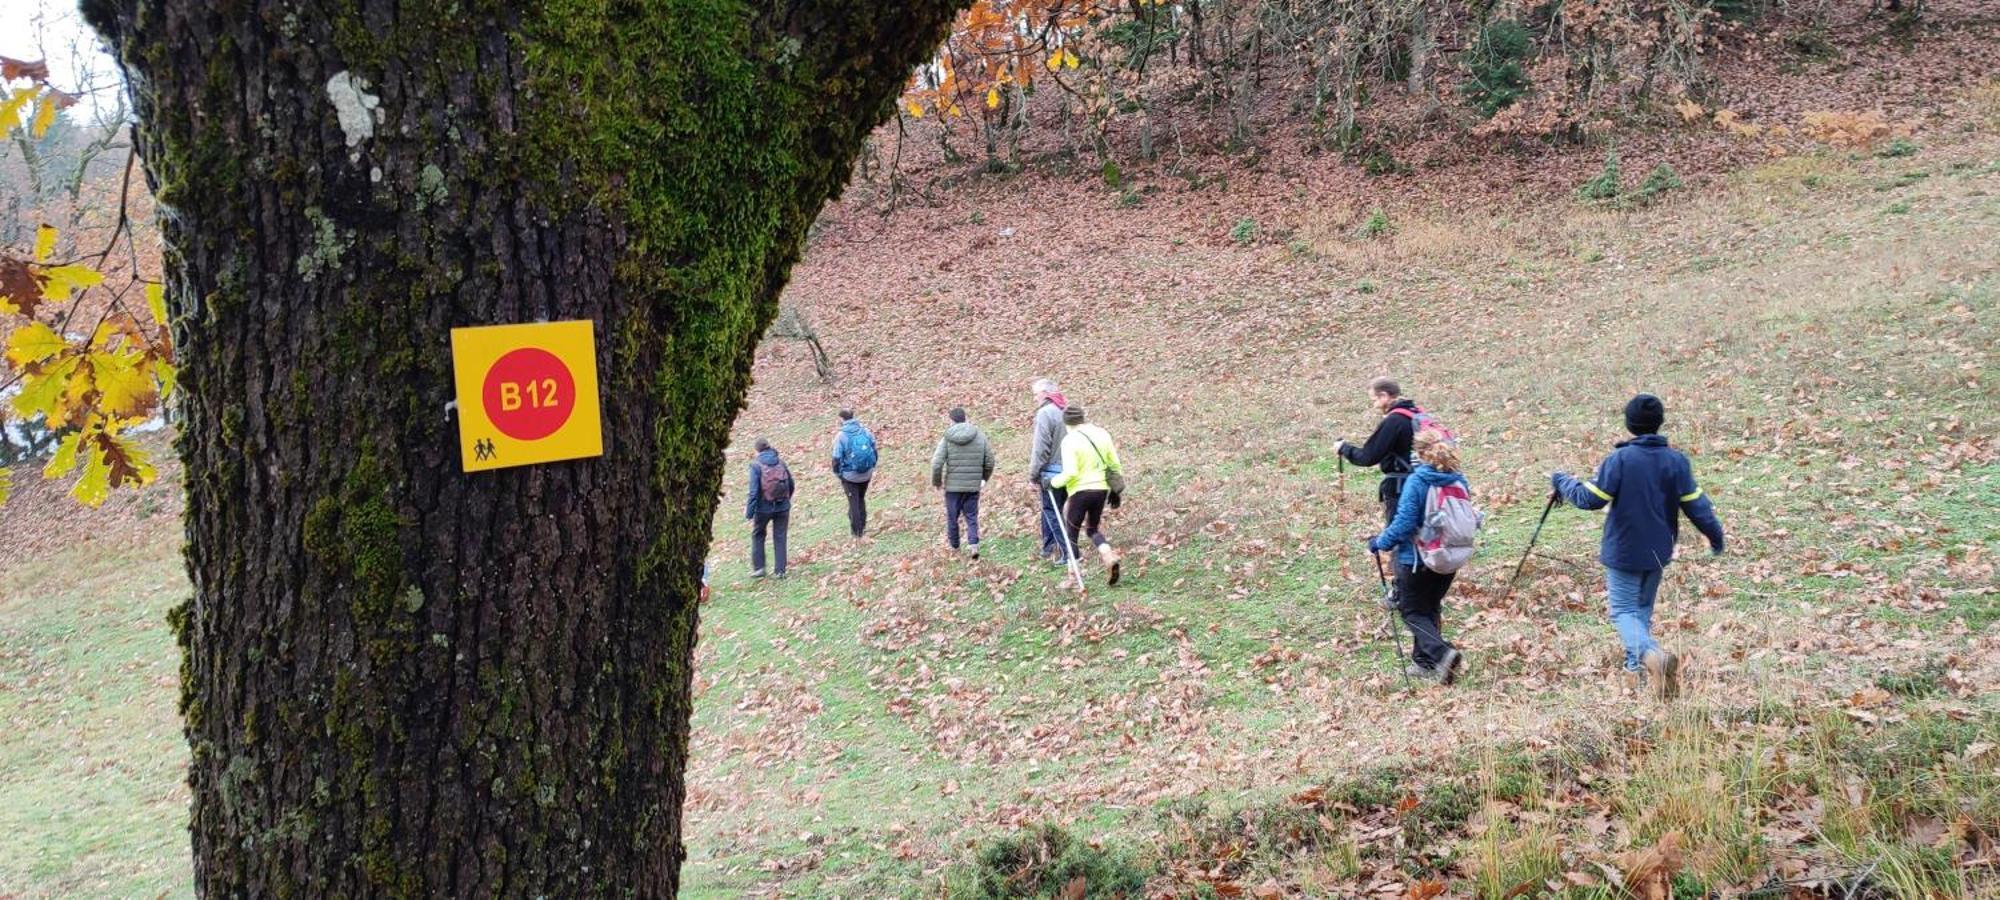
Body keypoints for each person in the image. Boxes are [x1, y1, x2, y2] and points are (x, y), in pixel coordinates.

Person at [1552, 393, 1725, 701]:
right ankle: (1637, 675)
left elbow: (1590, 498)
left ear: (1629, 424)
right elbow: (1697, 506)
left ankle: (1651, 655)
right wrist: (1715, 535)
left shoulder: (1620, 460)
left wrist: (1562, 481)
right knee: (1641, 611)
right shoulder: (1676, 461)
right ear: (1659, 423)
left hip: (1624, 551)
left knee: (1622, 612)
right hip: (1658, 551)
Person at [1366, 428, 1468, 684]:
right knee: (1429, 607)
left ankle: (1442, 653)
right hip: (1449, 557)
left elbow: (1404, 523)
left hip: (1417, 559)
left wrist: (1380, 542)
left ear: (1419, 452)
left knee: (1410, 610)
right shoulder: (1457, 479)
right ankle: (1426, 664)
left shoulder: (1419, 480)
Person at [1051, 403, 1125, 585]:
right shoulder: (1101, 433)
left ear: (1067, 423)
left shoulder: (1069, 440)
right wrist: (1115, 489)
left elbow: (1071, 473)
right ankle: (1108, 554)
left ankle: (1073, 577)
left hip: (1080, 491)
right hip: (1100, 490)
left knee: (1071, 534)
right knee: (1092, 529)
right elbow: (1114, 464)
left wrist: (1052, 482)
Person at [1335, 376, 1424, 526]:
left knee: (1400, 537)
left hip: (1400, 489)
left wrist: (1343, 448)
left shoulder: (1394, 421)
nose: (1374, 405)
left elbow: (1368, 457)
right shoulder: (1417, 414)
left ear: (1384, 396)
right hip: (1423, 482)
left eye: (1374, 400)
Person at [932, 407, 996, 559]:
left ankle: (955, 548)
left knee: (952, 517)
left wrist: (937, 482)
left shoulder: (947, 438)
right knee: (972, 516)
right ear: (965, 418)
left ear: (951, 420)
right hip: (972, 486)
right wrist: (983, 478)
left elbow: (936, 463)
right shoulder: (979, 436)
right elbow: (990, 461)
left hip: (953, 488)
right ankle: (974, 546)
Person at [1026, 378, 1069, 563]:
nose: (1035, 398)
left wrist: (1033, 475)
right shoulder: (1066, 409)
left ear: (1044, 393)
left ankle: (1067, 551)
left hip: (1052, 472)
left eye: (1035, 395)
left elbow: (1040, 448)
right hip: (1072, 469)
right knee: (1054, 509)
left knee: (1051, 510)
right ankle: (1048, 546)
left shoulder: (1045, 413)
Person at [745, 439, 792, 578]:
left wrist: (749, 512)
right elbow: (791, 483)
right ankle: (780, 571)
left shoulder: (755, 466)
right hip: (783, 506)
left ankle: (759, 568)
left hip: (763, 508)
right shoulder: (780, 462)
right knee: (780, 536)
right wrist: (786, 500)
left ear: (757, 450)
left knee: (758, 534)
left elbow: (753, 492)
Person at [830, 408, 878, 538]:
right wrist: (872, 466)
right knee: (861, 499)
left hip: (850, 476)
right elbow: (874, 449)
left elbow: (836, 458)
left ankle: (857, 534)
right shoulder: (865, 431)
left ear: (841, 419)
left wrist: (838, 474)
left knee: (854, 503)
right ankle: (862, 527)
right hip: (867, 474)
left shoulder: (841, 436)